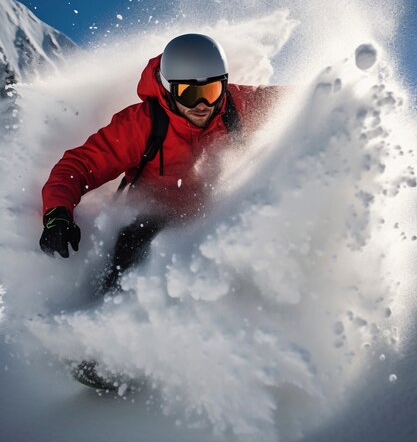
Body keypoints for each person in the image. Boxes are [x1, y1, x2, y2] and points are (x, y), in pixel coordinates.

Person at [39, 33, 284, 290]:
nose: (202, 105)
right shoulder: (141, 125)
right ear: (168, 88)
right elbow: (78, 167)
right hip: (151, 217)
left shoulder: (235, 106)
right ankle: (102, 312)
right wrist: (58, 215)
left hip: (220, 208)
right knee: (129, 255)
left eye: (211, 91)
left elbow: (304, 100)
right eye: (188, 94)